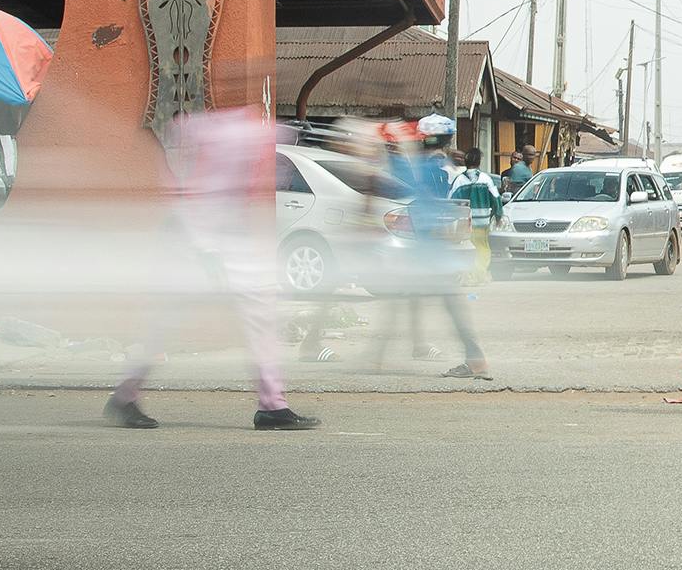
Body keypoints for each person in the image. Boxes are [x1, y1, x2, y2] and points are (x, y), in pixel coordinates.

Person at [104, 102, 320, 431]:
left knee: (254, 315)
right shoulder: (234, 143)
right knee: (167, 322)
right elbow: (199, 196)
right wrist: (207, 251)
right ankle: (124, 397)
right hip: (194, 241)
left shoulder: (237, 139)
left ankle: (273, 405)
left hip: (211, 241)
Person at [371, 115, 491, 380]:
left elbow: (405, 182)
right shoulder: (448, 168)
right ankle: (379, 357)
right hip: (436, 249)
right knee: (426, 300)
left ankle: (377, 359)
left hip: (426, 251)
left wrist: (390, 148)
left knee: (402, 299)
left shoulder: (429, 168)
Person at [449, 146, 504, 283]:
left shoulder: (459, 180)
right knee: (482, 248)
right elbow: (496, 199)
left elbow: (450, 201)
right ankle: (480, 274)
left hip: (465, 224)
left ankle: (468, 276)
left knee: (467, 249)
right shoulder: (486, 179)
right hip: (482, 223)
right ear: (479, 162)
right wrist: (498, 216)